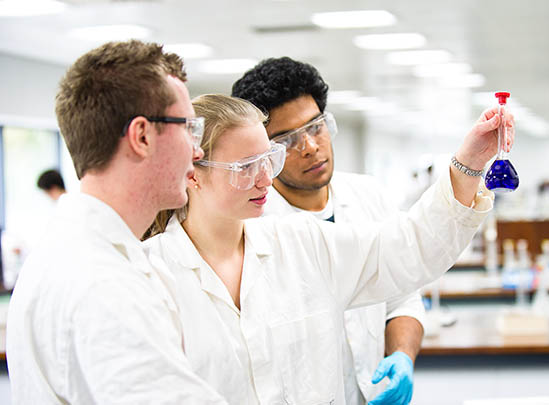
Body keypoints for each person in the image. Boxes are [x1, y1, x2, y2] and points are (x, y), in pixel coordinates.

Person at [143, 94, 513, 404]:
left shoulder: (303, 244)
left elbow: (410, 248)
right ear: (192, 174)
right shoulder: (150, 276)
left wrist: (469, 163)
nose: (264, 179)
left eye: (268, 161)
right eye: (245, 167)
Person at [6, 40, 230, 404]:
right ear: (141, 136)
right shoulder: (101, 283)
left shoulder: (79, 252)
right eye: (189, 127)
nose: (198, 149)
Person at [232, 57, 424, 405]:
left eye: (316, 127)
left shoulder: (370, 196)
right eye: (286, 141)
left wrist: (402, 357)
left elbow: (403, 295)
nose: (309, 147)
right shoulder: (249, 228)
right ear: (263, 152)